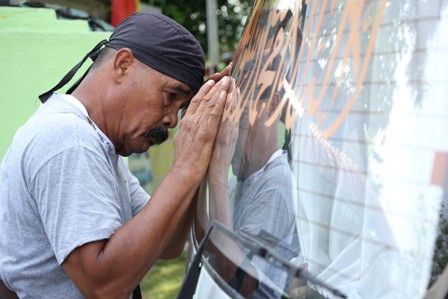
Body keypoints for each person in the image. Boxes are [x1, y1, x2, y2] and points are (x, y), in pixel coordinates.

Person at [0, 11, 232, 298]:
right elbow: (104, 286)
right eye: (171, 96)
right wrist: (185, 167)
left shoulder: (97, 143)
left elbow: (169, 244)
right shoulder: (69, 138)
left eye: (181, 107)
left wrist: (200, 159)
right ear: (123, 66)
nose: (173, 120)